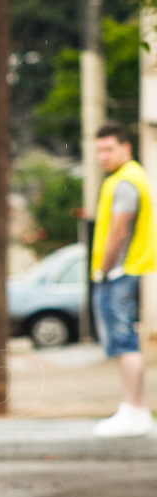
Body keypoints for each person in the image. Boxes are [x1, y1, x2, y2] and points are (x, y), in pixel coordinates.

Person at [91, 120, 156, 437]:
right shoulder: (128, 177)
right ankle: (134, 409)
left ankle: (134, 409)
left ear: (125, 148)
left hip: (119, 272)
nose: (103, 156)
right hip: (126, 270)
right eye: (99, 150)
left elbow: (119, 228)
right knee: (126, 339)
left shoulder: (126, 181)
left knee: (124, 341)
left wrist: (104, 268)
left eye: (108, 149)